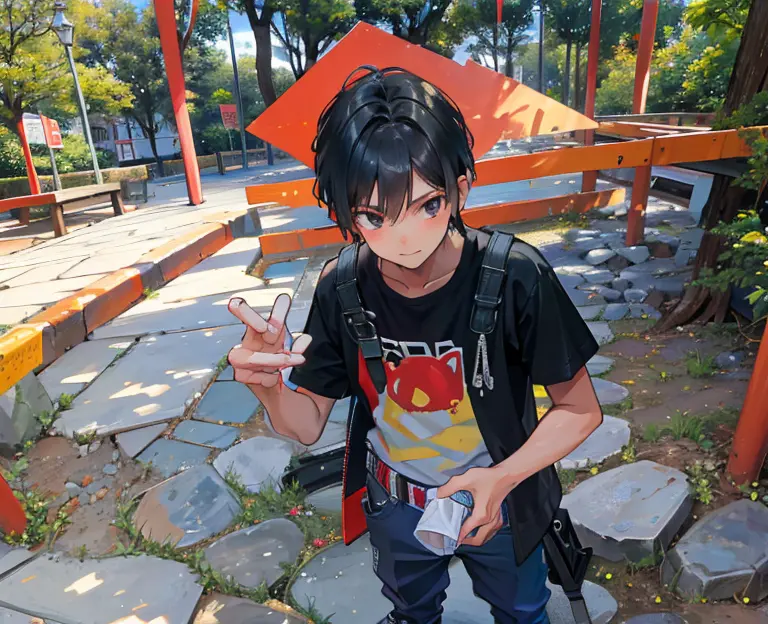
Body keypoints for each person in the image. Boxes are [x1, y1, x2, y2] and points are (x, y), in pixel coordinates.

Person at [227, 66, 603, 624]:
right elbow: (306, 425)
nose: (404, 239)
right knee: (411, 611)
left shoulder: (513, 274)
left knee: (523, 612)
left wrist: (503, 479)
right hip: (395, 501)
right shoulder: (343, 284)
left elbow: (580, 410)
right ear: (346, 212)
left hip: (500, 500)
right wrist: (268, 388)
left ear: (460, 188)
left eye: (428, 205)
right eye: (375, 217)